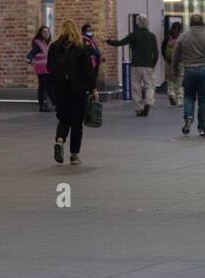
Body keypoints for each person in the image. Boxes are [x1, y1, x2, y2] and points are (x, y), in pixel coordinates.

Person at [48, 20, 97, 165]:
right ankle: (74, 155)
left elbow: (49, 67)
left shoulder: (54, 47)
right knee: (76, 122)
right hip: (77, 89)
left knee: (63, 119)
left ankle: (60, 140)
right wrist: (93, 88)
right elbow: (88, 71)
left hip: (59, 89)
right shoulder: (81, 48)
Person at [171, 13, 205, 136]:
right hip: (204, 71)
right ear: (202, 23)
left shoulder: (183, 36)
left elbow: (175, 55)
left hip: (189, 71)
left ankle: (189, 117)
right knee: (203, 100)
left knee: (188, 96)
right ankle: (202, 127)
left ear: (190, 23)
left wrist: (174, 68)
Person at [107, 15, 158, 116]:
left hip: (136, 65)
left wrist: (109, 42)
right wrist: (153, 64)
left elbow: (121, 43)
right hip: (148, 65)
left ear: (137, 23)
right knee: (150, 86)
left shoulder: (134, 35)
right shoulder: (152, 36)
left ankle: (139, 109)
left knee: (136, 87)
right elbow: (156, 52)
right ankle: (148, 102)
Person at [26, 25, 53, 112]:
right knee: (43, 86)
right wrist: (29, 59)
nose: (46, 33)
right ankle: (42, 105)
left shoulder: (46, 42)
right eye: (44, 32)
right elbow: (32, 52)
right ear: (40, 33)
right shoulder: (38, 43)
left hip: (47, 67)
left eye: (47, 32)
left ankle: (51, 103)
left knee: (49, 86)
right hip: (41, 67)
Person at [162, 21, 184, 107]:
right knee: (179, 81)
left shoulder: (167, 38)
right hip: (180, 63)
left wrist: (166, 58)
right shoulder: (182, 38)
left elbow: (163, 50)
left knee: (170, 80)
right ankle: (179, 100)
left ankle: (171, 93)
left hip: (169, 62)